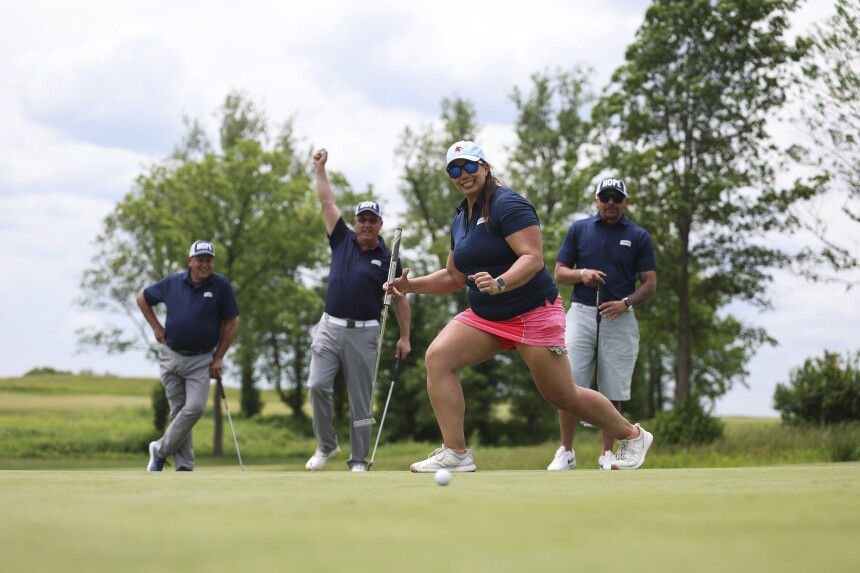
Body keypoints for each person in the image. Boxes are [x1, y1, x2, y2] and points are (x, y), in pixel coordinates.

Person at [386, 141, 653, 473]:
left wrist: (499, 283)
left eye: (469, 166)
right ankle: (456, 452)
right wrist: (411, 286)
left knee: (563, 396)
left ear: (484, 166)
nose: (463, 175)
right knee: (438, 357)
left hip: (533, 310)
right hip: (487, 316)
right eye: (454, 170)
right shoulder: (461, 217)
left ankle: (633, 435)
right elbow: (455, 275)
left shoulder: (508, 204)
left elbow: (533, 258)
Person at [306, 147, 411, 472]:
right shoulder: (341, 239)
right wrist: (320, 169)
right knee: (316, 386)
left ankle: (358, 459)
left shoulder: (389, 258)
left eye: (372, 220)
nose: (366, 225)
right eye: (361, 220)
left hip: (365, 333)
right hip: (329, 327)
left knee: (361, 400)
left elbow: (401, 299)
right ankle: (327, 445)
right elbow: (327, 201)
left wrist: (405, 337)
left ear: (380, 224)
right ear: (355, 222)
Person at [547, 178, 657, 471]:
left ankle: (608, 454)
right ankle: (566, 451)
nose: (610, 202)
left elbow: (649, 283)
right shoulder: (579, 229)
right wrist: (581, 273)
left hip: (620, 315)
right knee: (568, 383)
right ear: (596, 201)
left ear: (625, 202)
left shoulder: (638, 235)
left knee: (613, 387)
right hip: (582, 312)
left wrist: (627, 303)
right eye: (605, 197)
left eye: (616, 197)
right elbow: (559, 273)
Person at [137, 240, 240, 472]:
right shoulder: (172, 283)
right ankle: (184, 467)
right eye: (200, 259)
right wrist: (155, 327)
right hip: (171, 356)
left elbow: (231, 323)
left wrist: (219, 358)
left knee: (194, 408)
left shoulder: (221, 286)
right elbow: (142, 298)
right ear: (190, 261)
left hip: (201, 359)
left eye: (209, 260)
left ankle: (160, 450)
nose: (205, 264)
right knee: (178, 412)